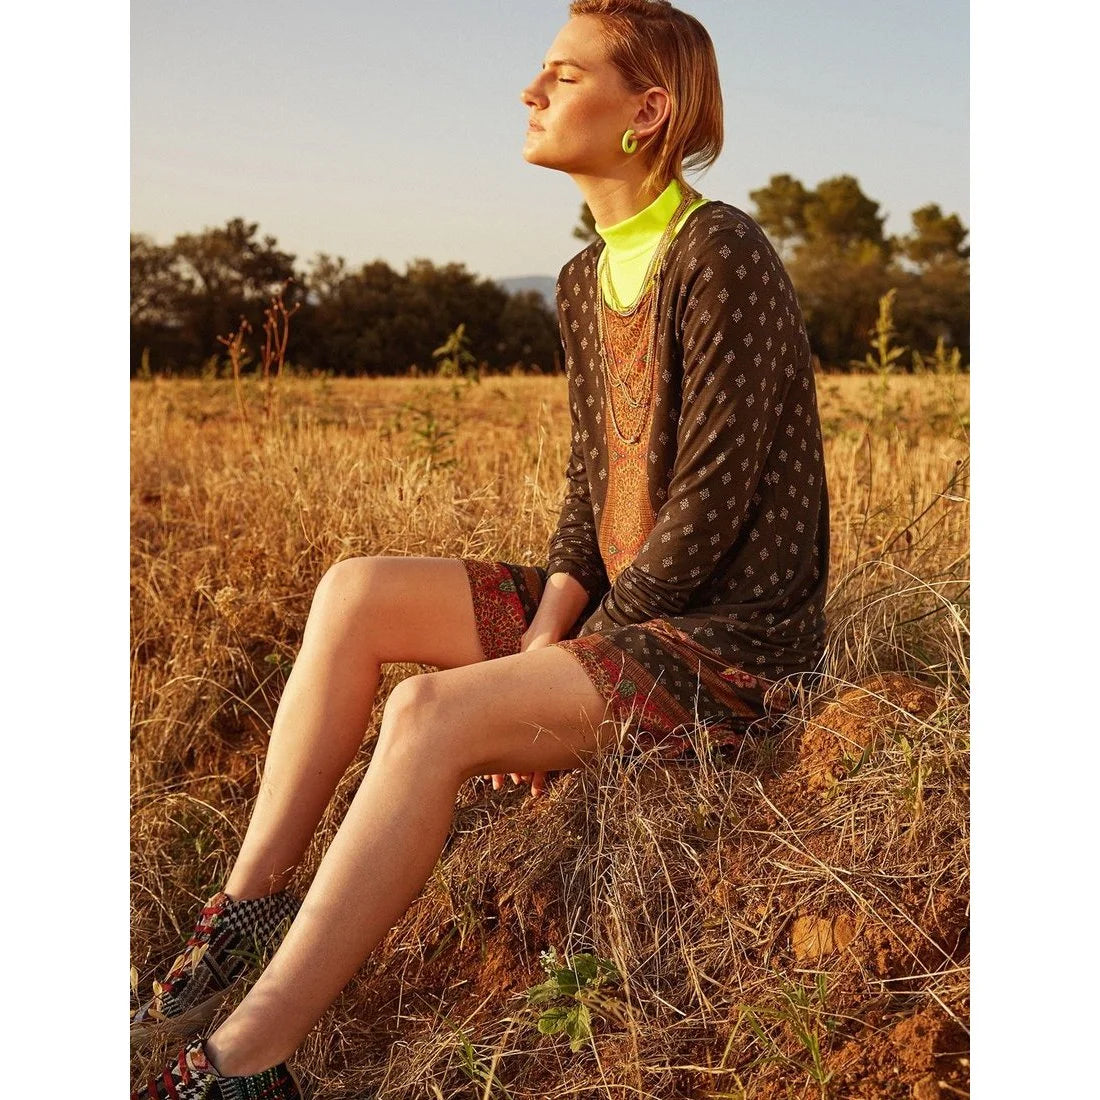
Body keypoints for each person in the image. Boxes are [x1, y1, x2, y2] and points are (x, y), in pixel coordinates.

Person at [130, 1, 829, 1096]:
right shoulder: (580, 280)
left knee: (427, 713)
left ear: (647, 110)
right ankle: (251, 907)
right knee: (354, 591)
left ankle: (245, 1061)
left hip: (728, 643)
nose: (529, 91)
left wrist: (554, 662)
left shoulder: (720, 250)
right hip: (626, 613)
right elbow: (589, 495)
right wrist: (547, 633)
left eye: (563, 73)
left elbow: (706, 506)